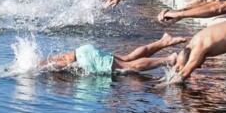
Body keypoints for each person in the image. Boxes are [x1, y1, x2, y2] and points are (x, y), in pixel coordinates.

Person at [38, 33, 188, 74]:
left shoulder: (42, 67)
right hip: (84, 51)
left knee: (128, 67)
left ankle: (169, 60)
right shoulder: (43, 61)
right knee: (128, 58)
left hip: (87, 58)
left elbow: (64, 65)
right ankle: (164, 42)